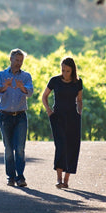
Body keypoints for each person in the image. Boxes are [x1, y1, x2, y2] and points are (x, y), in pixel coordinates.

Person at [0, 48, 33, 187]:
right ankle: (11, 177)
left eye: (21, 61)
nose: (19, 63)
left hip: (20, 116)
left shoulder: (26, 76)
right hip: (5, 116)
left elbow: (30, 93)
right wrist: (5, 86)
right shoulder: (1, 75)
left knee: (20, 148)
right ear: (10, 59)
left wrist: (22, 87)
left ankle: (20, 177)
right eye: (16, 60)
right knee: (9, 149)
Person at [42, 56, 84, 189]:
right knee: (60, 146)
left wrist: (80, 110)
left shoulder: (78, 82)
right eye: (63, 70)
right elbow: (44, 96)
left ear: (73, 70)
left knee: (73, 146)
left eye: (67, 71)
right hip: (57, 117)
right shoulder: (54, 81)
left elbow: (79, 99)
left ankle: (66, 180)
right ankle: (59, 179)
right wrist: (48, 110)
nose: (65, 73)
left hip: (73, 117)